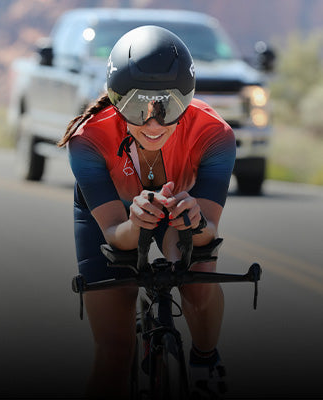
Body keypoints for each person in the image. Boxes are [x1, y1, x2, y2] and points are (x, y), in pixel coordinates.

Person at [58, 25, 236, 399]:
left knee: (196, 281)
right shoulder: (87, 140)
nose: (153, 123)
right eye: (139, 108)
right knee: (114, 357)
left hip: (180, 209)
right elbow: (113, 235)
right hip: (117, 219)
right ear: (116, 99)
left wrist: (195, 222)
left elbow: (208, 231)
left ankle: (205, 360)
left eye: (167, 107)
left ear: (187, 100)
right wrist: (135, 222)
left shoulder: (215, 134)